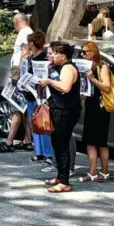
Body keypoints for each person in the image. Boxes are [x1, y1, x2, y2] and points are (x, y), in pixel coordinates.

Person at [39, 42, 82, 193]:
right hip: (57, 108)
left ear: (63, 56)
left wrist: (49, 81)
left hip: (66, 110)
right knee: (56, 143)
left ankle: (64, 181)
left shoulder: (69, 68)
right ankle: (60, 175)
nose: (51, 56)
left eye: (54, 53)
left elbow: (65, 87)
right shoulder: (58, 67)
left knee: (62, 144)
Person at [0, 14, 34, 153]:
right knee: (25, 110)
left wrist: (15, 76)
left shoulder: (24, 33)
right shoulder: (29, 32)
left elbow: (25, 54)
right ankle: (27, 140)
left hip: (20, 77)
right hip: (24, 76)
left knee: (16, 108)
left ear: (16, 22)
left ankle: (9, 141)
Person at [79, 42, 112, 183]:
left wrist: (92, 79)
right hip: (91, 105)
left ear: (93, 53)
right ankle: (92, 172)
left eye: (85, 52)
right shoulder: (87, 67)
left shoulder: (102, 67)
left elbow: (107, 88)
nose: (82, 54)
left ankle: (105, 172)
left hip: (101, 107)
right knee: (89, 140)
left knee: (101, 142)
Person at [23, 32, 53, 164]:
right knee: (34, 123)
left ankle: (47, 153)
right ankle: (38, 152)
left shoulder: (44, 58)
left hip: (41, 95)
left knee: (43, 123)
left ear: (32, 44)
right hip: (30, 94)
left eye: (29, 42)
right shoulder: (30, 57)